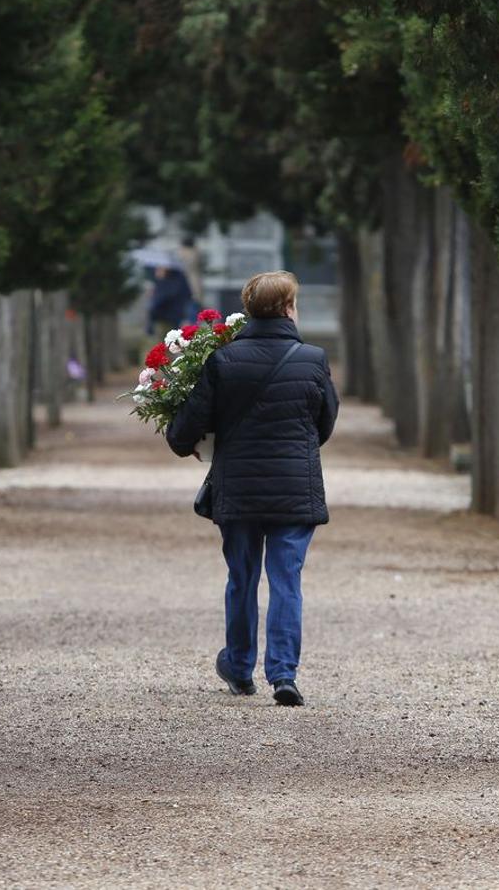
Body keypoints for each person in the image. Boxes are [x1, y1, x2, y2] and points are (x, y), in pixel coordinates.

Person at [165, 271, 339, 706]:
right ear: (286, 309)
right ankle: (283, 674)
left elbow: (186, 429)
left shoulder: (222, 361)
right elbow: (325, 423)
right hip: (294, 489)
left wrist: (187, 443)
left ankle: (240, 668)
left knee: (241, 577)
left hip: (238, 489)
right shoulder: (312, 359)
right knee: (286, 581)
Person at [146, 265, 193, 338]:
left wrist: (156, 293)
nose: (157, 271)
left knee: (167, 342)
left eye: (159, 268)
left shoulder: (171, 280)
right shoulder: (173, 278)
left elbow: (160, 300)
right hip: (170, 317)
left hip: (168, 318)